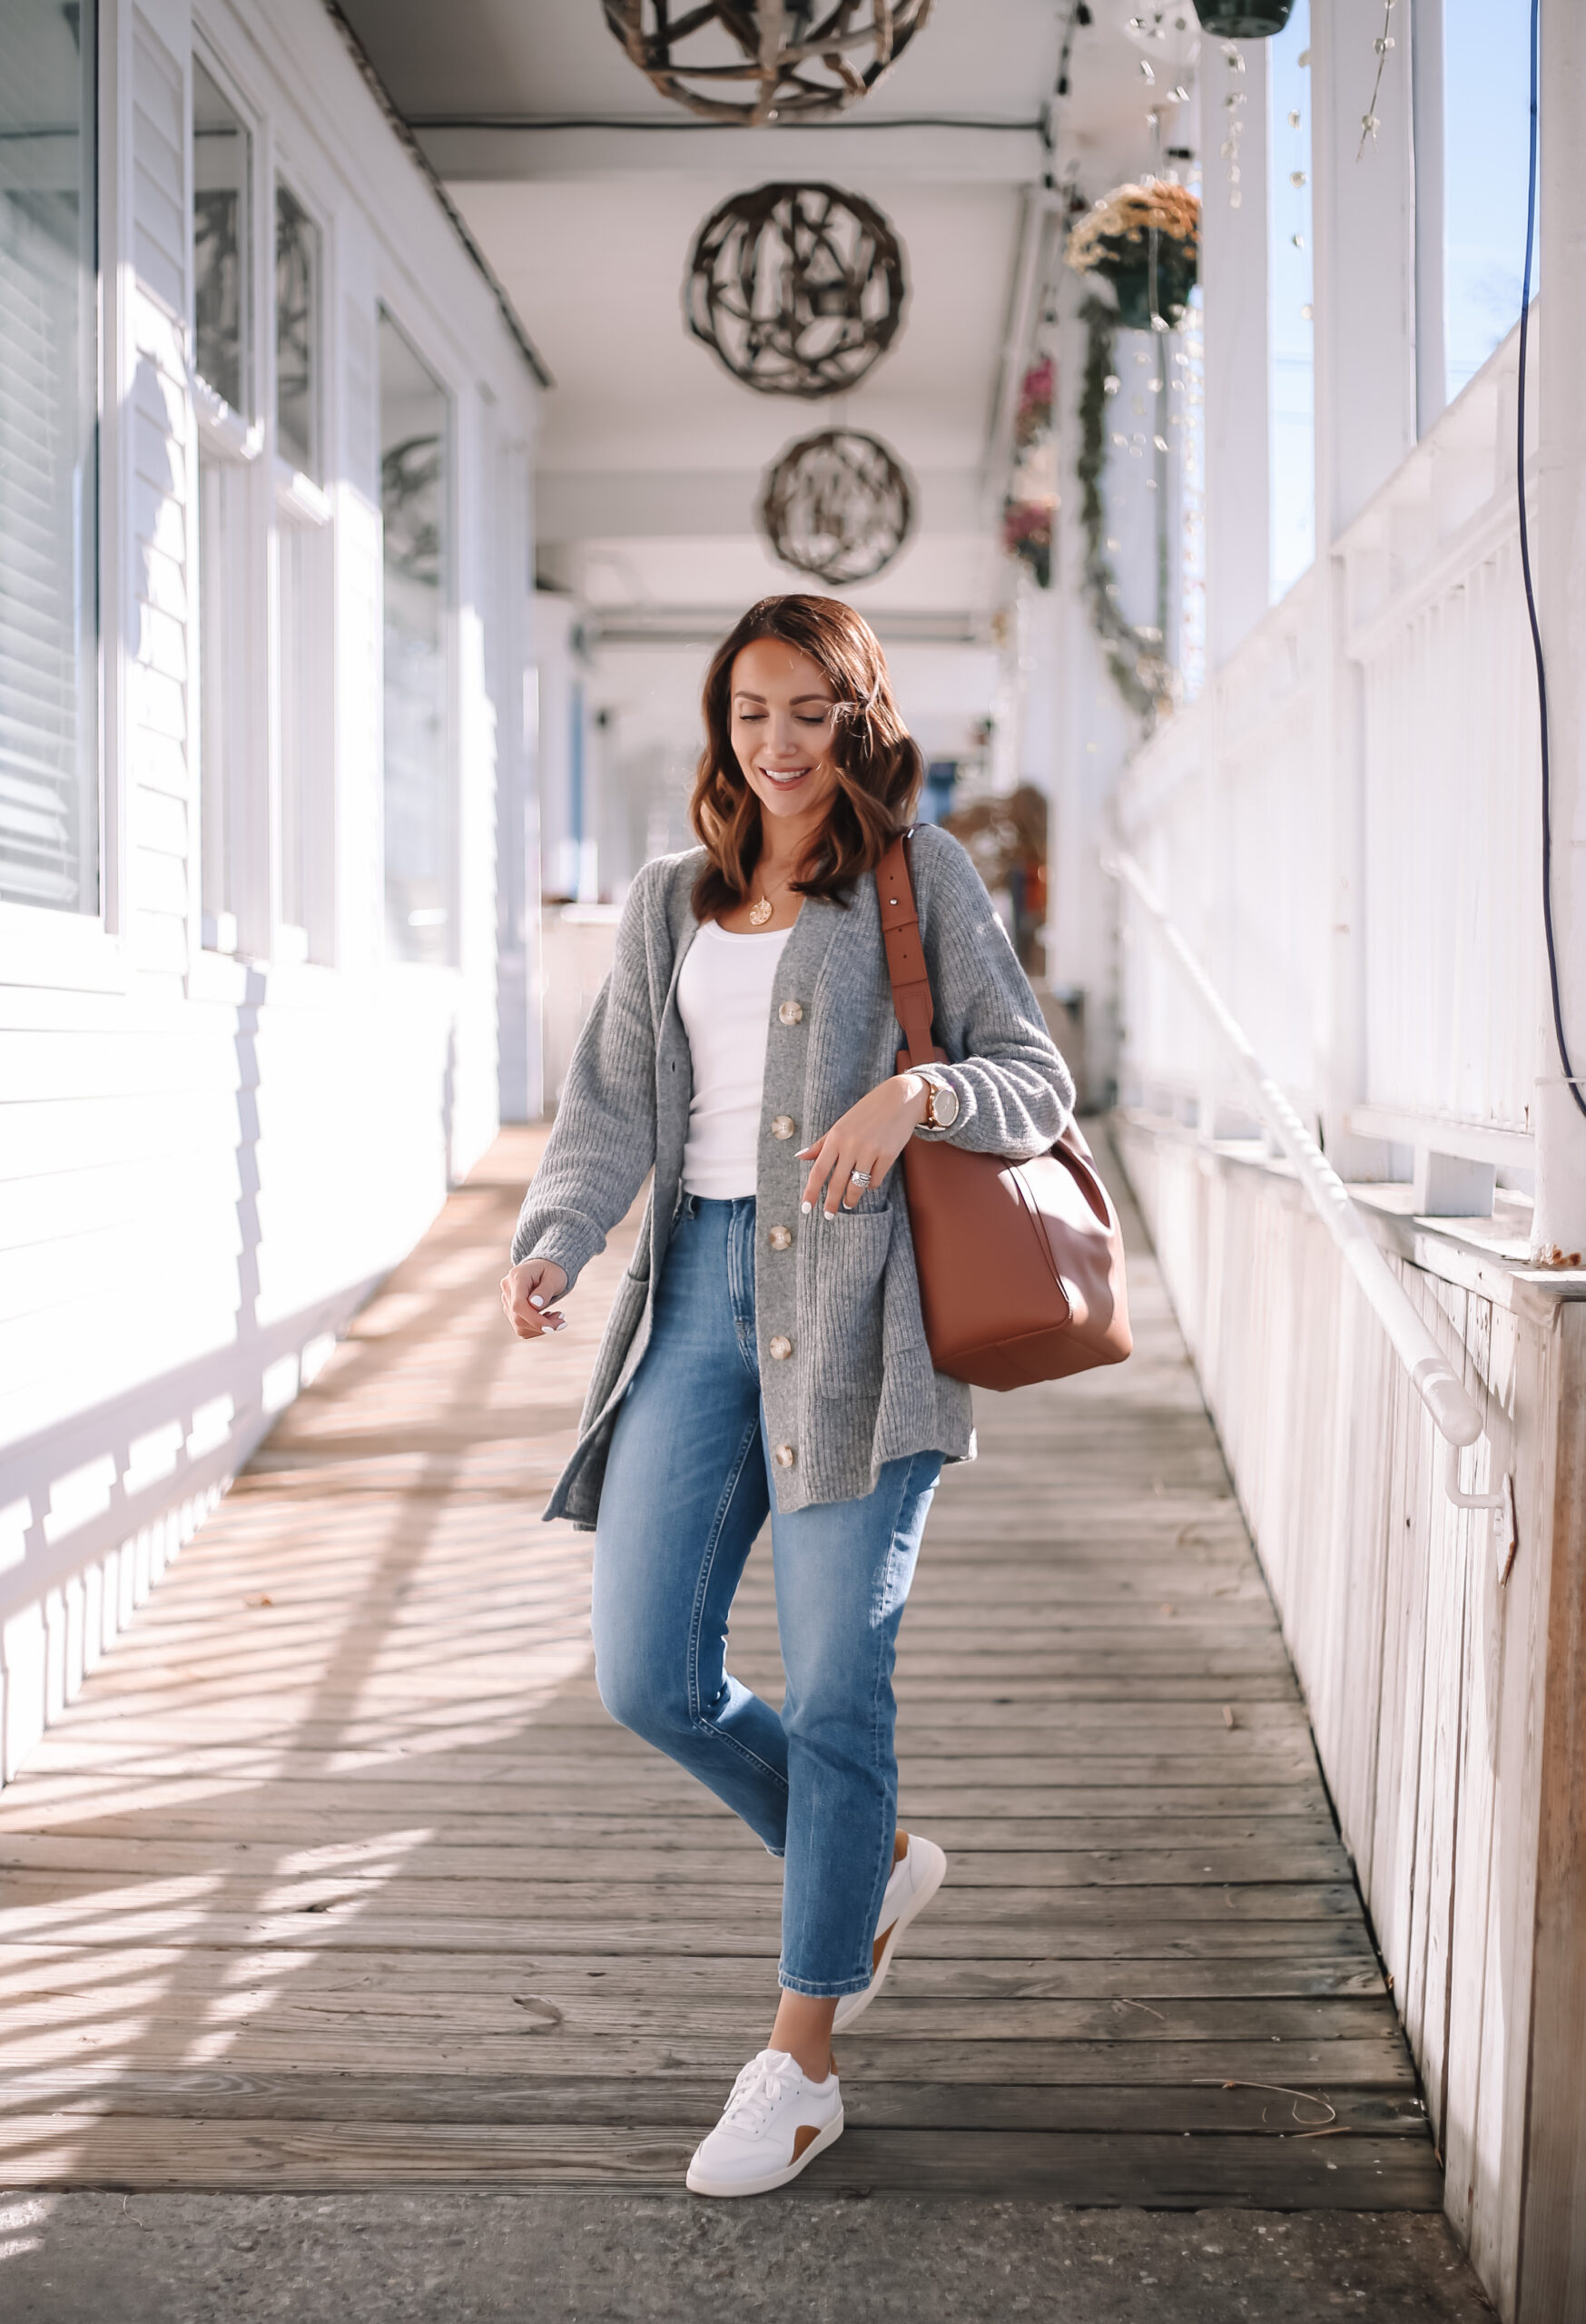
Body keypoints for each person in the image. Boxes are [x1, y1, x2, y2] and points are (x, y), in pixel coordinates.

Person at [500, 595, 1074, 2198]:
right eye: (752, 711)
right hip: (689, 1301)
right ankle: (868, 1859)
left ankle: (800, 2062)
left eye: (810, 710)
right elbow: (609, 1104)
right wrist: (555, 1244)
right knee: (646, 1676)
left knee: (837, 1695)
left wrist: (918, 1089)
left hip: (867, 1322)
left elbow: (1035, 1078)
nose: (778, 742)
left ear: (858, 716)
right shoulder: (669, 898)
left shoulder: (920, 879)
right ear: (721, 723)